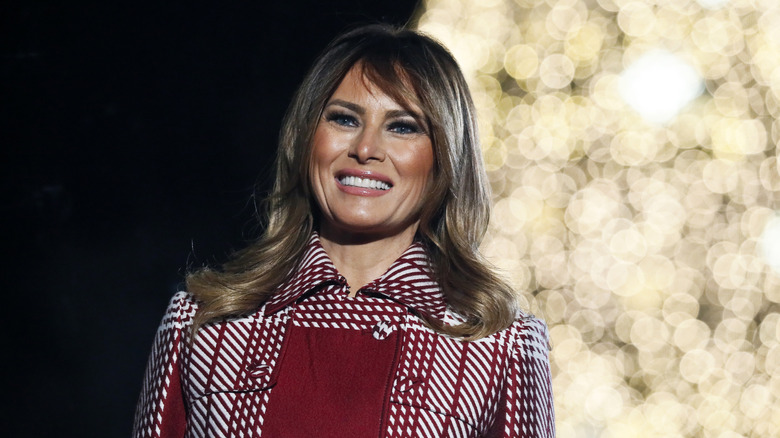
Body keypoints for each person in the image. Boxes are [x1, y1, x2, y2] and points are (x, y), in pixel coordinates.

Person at [133, 24, 554, 438]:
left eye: (402, 126)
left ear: (445, 157)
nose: (366, 148)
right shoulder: (203, 322)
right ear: (306, 139)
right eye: (344, 119)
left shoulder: (502, 346)